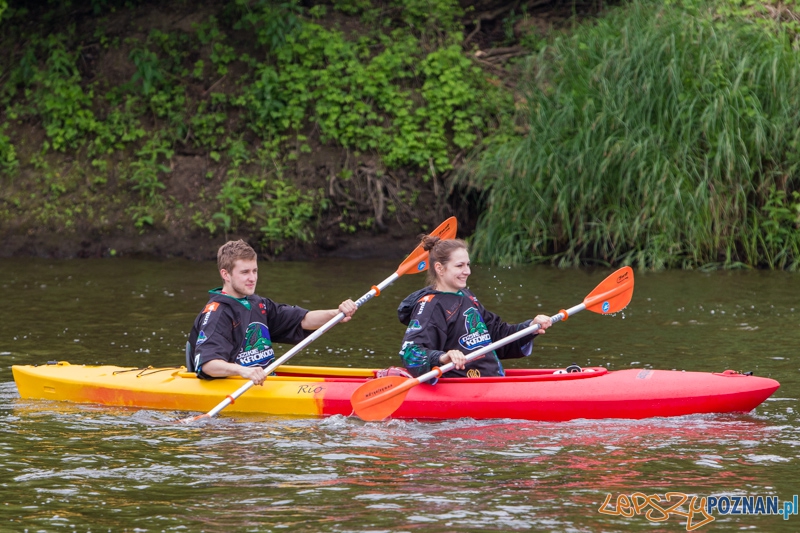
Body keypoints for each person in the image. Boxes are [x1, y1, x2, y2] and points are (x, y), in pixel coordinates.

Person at [188, 239, 357, 385]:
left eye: (255, 271)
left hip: (265, 382)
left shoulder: (257, 303)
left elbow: (302, 320)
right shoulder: (217, 313)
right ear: (225, 274)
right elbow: (208, 364)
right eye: (245, 272)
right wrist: (243, 371)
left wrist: (336, 314)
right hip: (238, 385)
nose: (252, 278)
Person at [397, 236, 552, 379]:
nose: (467, 271)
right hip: (463, 386)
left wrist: (529, 328)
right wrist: (442, 357)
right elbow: (410, 351)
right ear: (439, 268)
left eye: (468, 264)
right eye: (460, 266)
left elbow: (497, 336)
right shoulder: (430, 305)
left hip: (491, 381)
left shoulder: (467, 296)